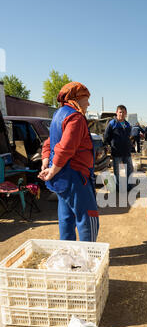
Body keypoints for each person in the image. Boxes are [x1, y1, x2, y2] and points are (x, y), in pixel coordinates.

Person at [38, 81, 99, 242]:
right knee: (88, 218)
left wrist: (46, 162)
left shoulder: (59, 115)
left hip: (61, 180)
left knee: (66, 218)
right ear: (77, 99)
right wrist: (52, 169)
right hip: (75, 177)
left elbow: (49, 143)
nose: (89, 103)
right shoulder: (75, 117)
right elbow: (65, 148)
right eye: (87, 99)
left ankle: (68, 254)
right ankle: (88, 255)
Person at [104, 105, 134, 191]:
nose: (122, 114)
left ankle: (129, 187)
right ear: (117, 112)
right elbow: (106, 136)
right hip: (116, 152)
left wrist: (130, 145)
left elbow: (129, 136)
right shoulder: (112, 123)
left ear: (126, 114)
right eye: (120, 112)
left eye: (124, 112)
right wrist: (111, 145)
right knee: (116, 172)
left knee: (130, 170)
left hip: (126, 152)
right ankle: (117, 187)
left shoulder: (128, 125)